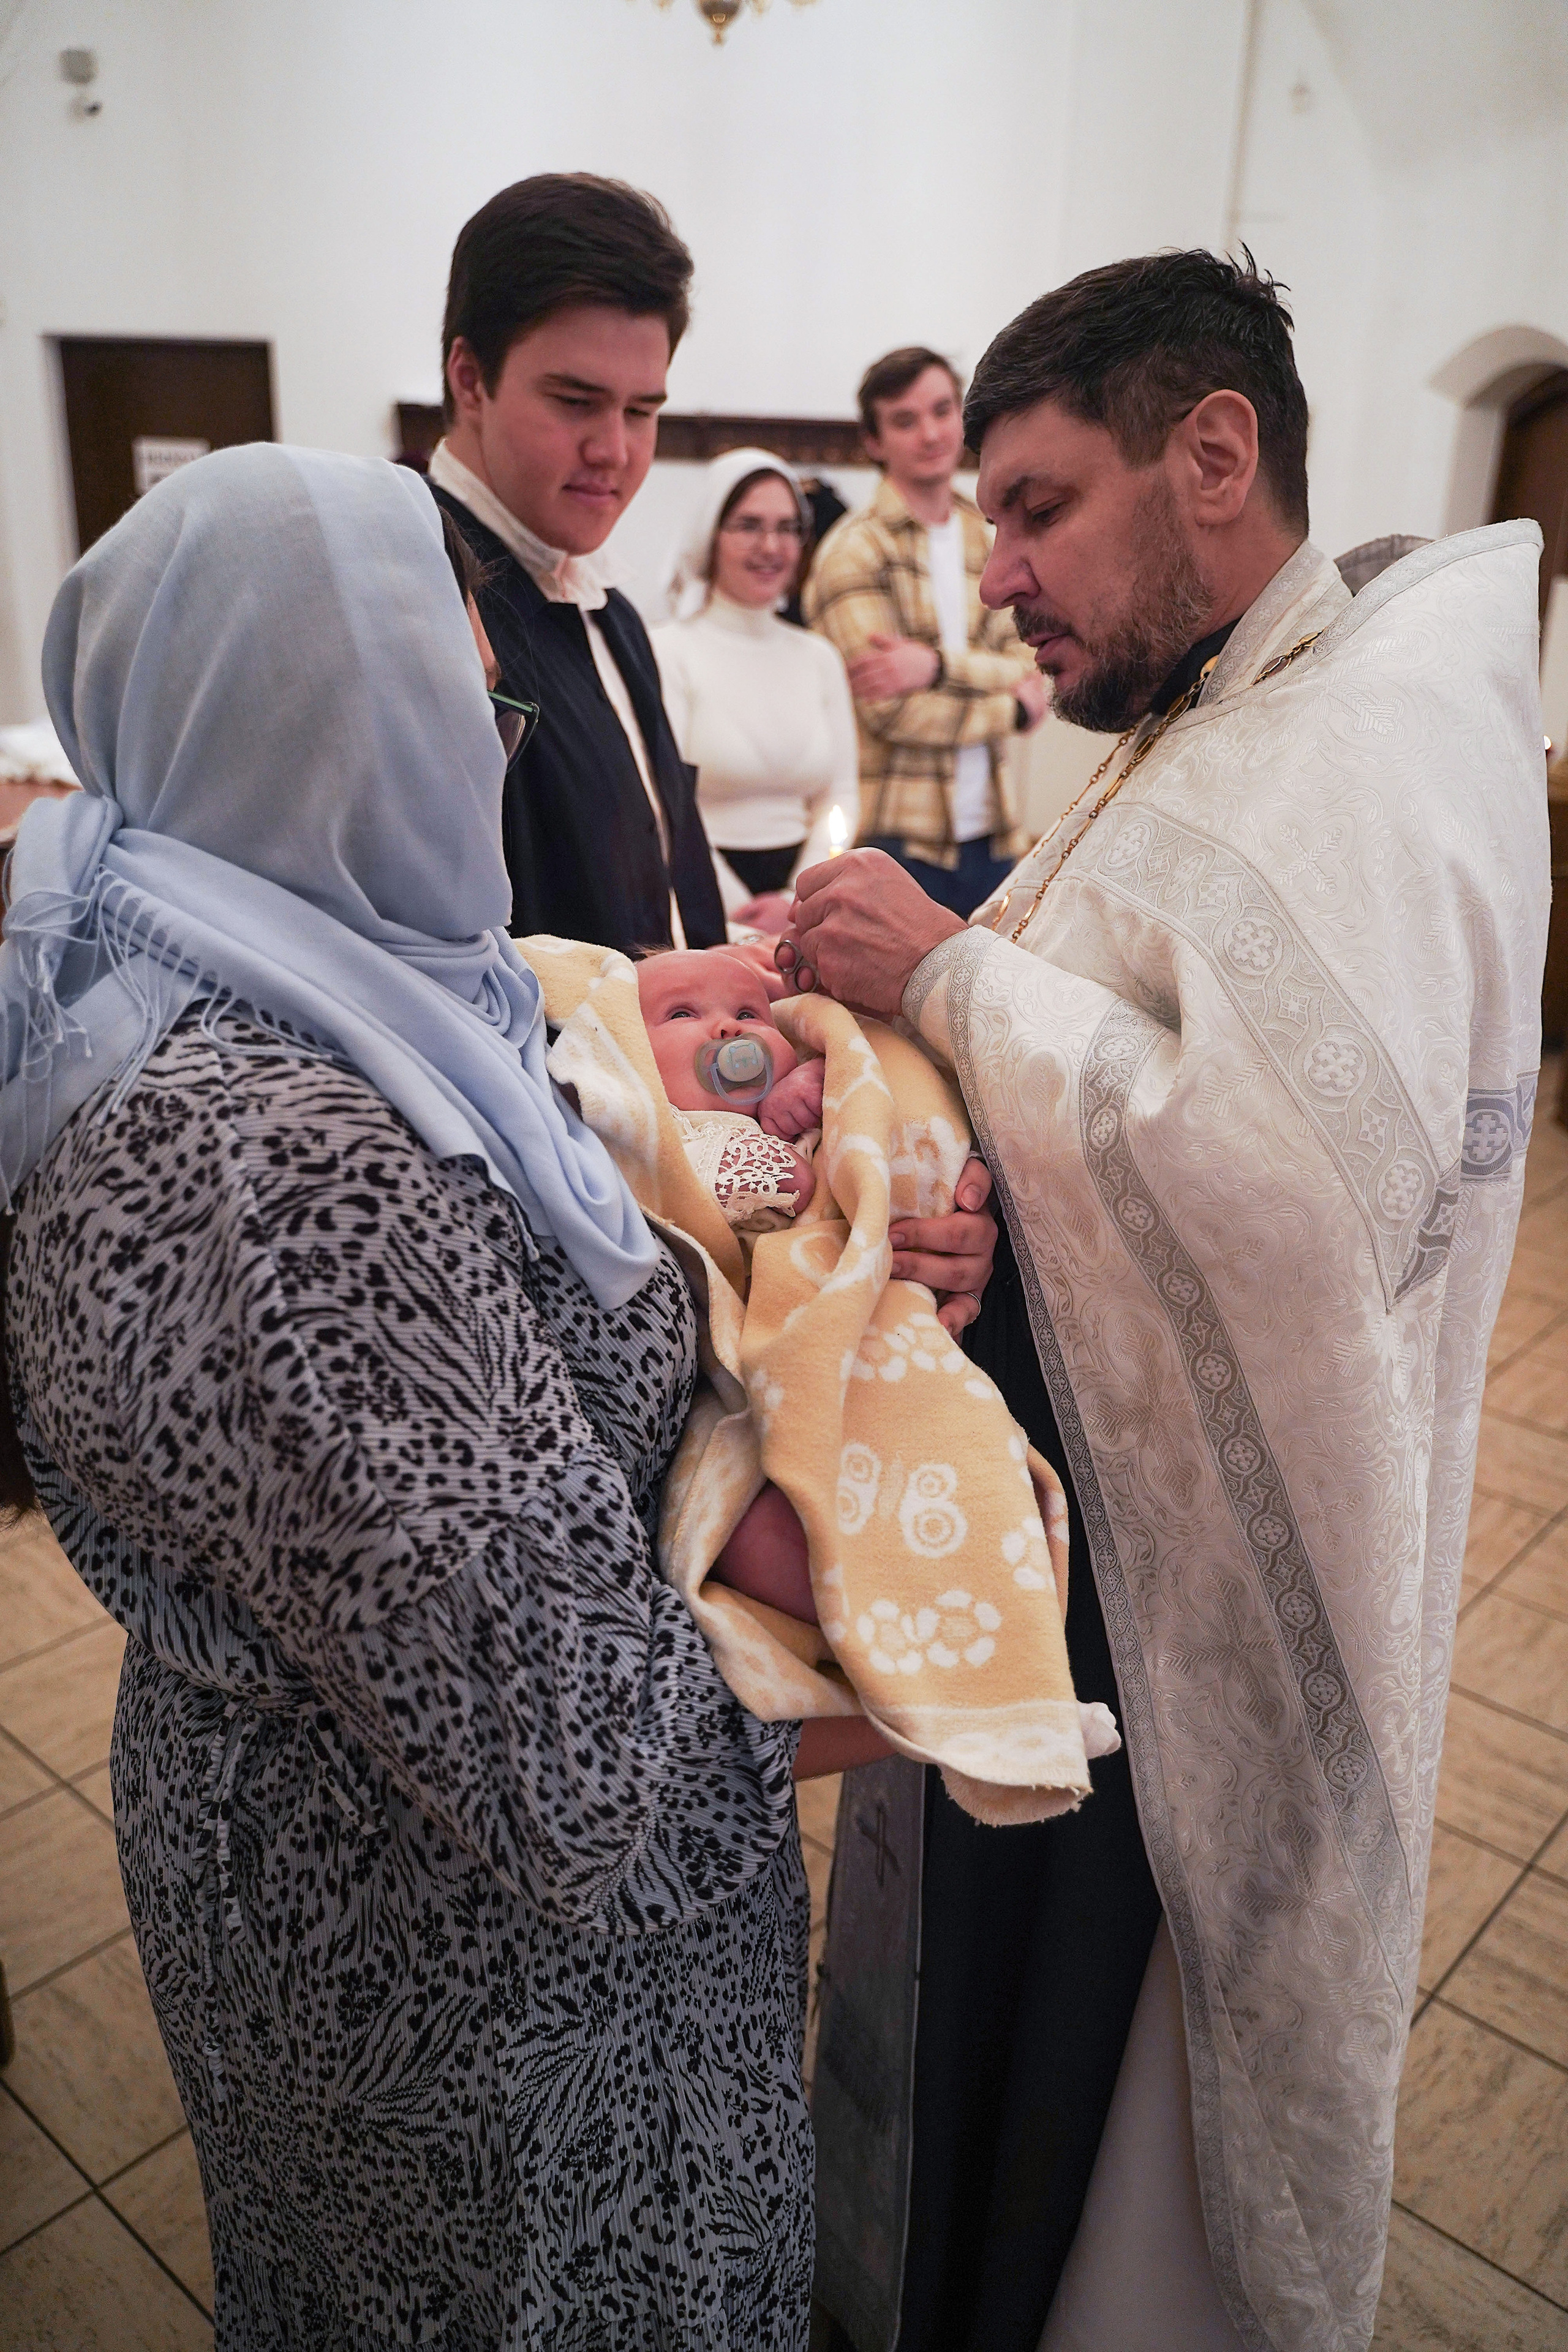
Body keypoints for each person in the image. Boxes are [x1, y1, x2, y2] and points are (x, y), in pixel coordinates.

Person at [786, 254, 1549, 2352]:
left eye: (1034, 509)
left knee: (1090, 2136)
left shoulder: (1360, 751)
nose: (996, 570)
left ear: (1212, 454)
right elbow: (1119, 1068)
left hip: (1182, 1586)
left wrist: (940, 974)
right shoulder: (1234, 711)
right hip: (1085, 1527)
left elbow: (1283, 1200)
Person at [0, 444, 835, 2348]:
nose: (496, 756)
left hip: (365, 1870)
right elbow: (577, 1769)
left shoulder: (248, 973)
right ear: (327, 729)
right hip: (480, 2004)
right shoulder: (280, 1174)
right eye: (475, 707)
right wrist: (901, 1608)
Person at [428, 172, 727, 954]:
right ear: (470, 379)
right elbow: (434, 946)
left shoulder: (610, 607)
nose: (615, 453)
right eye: (575, 401)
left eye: (641, 411)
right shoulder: (421, 602)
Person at [803, 345, 1048, 918]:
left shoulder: (986, 533)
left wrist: (937, 667)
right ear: (873, 441)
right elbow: (889, 712)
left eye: (942, 410)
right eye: (905, 420)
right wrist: (1010, 712)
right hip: (894, 838)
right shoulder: (852, 550)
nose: (931, 433)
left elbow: (1032, 659)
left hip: (995, 831)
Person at [654, 448, 858, 935]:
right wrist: (737, 910)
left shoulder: (819, 657)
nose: (772, 546)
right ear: (711, 535)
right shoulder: (668, 650)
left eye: (788, 528)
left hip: (806, 906)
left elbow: (841, 792)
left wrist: (796, 900)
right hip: (696, 898)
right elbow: (662, 802)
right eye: (749, 525)